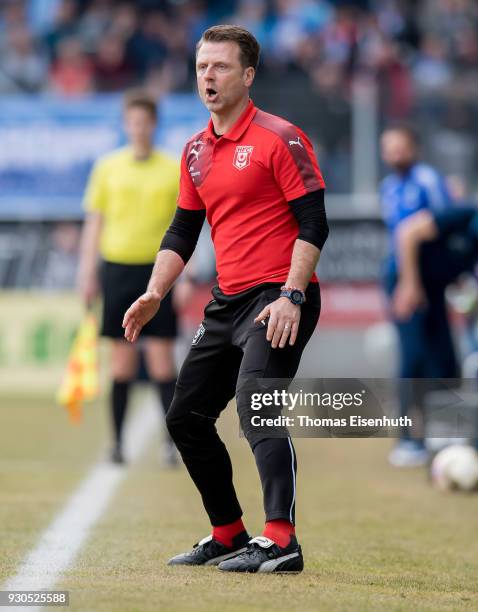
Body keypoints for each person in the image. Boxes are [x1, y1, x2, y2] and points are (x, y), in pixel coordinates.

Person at [123, 25, 329, 573]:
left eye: (219, 67)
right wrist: (154, 291)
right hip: (226, 302)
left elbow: (314, 221)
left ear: (248, 75)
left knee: (256, 405)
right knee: (185, 417)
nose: (207, 78)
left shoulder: (280, 137)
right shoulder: (194, 151)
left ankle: (282, 540)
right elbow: (183, 231)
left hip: (277, 297)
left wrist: (291, 295)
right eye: (201, 68)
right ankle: (228, 532)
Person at [78, 89, 190, 466]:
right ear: (126, 125)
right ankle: (118, 443)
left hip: (157, 272)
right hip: (117, 269)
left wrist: (185, 276)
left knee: (161, 361)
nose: (139, 129)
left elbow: (188, 226)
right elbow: (95, 224)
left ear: (154, 125)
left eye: (145, 122)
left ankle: (170, 444)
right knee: (121, 364)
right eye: (133, 122)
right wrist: (88, 272)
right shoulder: (108, 167)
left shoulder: (171, 168)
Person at [380, 125, 478, 468]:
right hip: (409, 282)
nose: (394, 154)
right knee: (413, 358)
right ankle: (409, 440)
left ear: (414, 148)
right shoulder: (390, 187)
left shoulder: (428, 180)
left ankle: (443, 434)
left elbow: (440, 235)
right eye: (388, 149)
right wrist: (410, 285)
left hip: (431, 282)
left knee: (444, 357)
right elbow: (408, 234)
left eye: (399, 147)